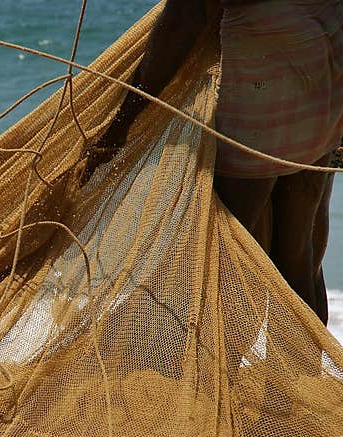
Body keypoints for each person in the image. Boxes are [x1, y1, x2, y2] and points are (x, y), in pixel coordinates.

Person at [82, 0, 343, 325]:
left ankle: (216, 367)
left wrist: (122, 125)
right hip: (326, 65)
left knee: (224, 250)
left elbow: (186, 17)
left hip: (268, 68)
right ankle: (302, 369)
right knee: (296, 249)